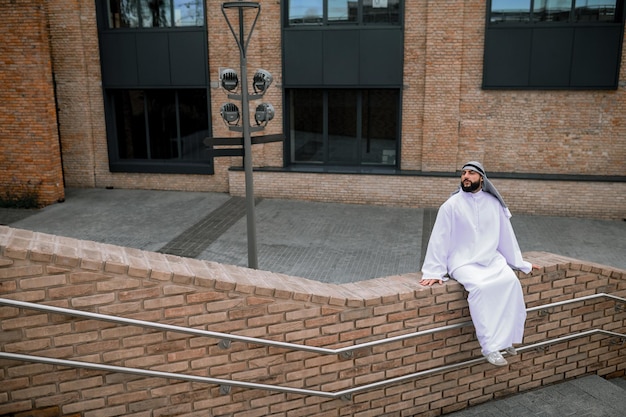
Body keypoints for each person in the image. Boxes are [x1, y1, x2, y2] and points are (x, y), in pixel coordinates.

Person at [420, 161, 536, 366]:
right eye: (463, 173)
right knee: (481, 289)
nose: (466, 176)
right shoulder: (451, 206)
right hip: (462, 262)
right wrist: (433, 271)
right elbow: (439, 239)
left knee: (511, 283)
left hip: (491, 259)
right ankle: (490, 347)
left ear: (481, 178)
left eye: (471, 173)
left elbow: (505, 236)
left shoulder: (493, 204)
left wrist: (518, 262)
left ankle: (507, 340)